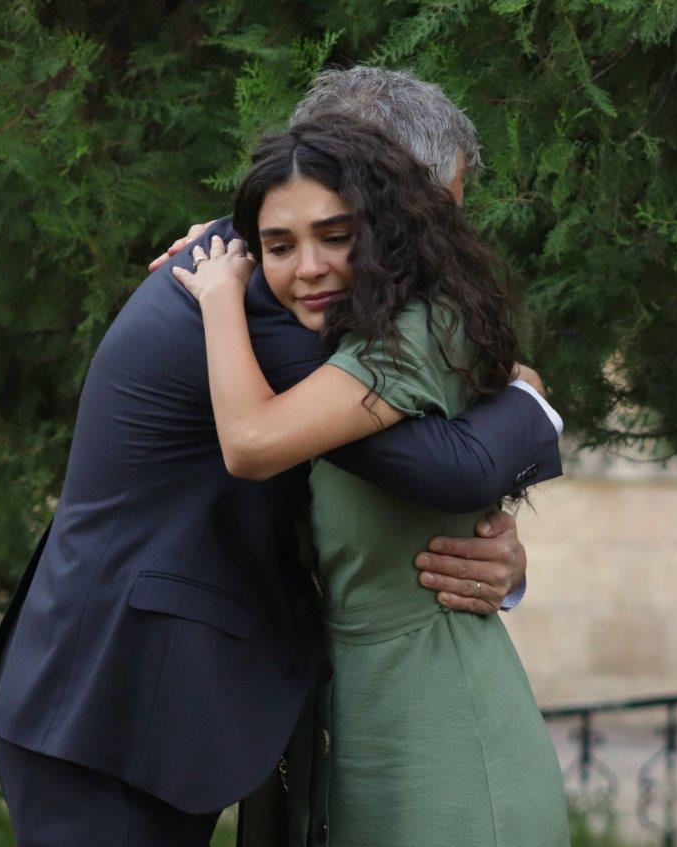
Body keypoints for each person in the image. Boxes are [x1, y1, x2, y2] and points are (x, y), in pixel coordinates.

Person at [0, 69, 565, 845]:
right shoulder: (271, 308)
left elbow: (404, 495)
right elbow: (449, 466)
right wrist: (530, 397)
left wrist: (504, 558)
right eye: (432, 213)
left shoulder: (275, 273)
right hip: (113, 700)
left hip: (143, 697)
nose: (439, 247)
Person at [174, 113, 569, 846]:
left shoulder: (415, 328)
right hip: (341, 746)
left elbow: (253, 443)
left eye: (337, 235)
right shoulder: (323, 337)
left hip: (445, 747)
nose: (311, 265)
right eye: (283, 241)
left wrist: (221, 293)